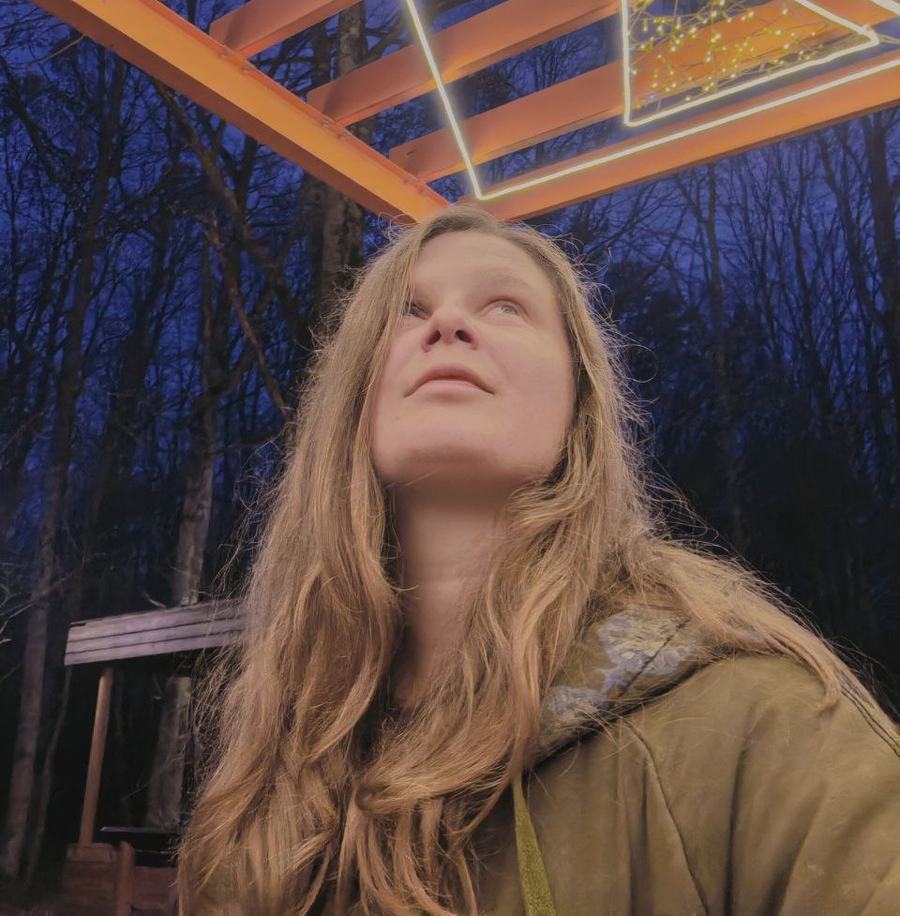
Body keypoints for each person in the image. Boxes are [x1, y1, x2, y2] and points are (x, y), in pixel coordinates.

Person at [177, 205, 900, 915]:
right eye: (407, 309)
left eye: (505, 307)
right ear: (350, 401)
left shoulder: (760, 722)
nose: (446, 322)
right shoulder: (271, 767)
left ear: (579, 401)